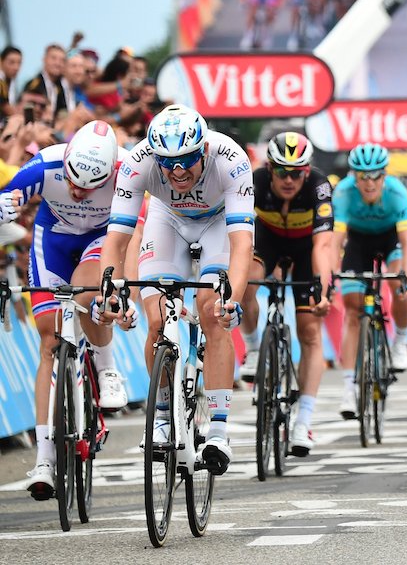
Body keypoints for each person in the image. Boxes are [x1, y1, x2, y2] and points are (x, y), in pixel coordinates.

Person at [95, 104, 254, 476]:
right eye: (168, 163)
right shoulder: (137, 163)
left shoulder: (231, 158)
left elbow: (243, 244)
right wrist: (109, 291)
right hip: (166, 219)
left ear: (204, 151)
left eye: (186, 160)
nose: (178, 170)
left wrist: (231, 300)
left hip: (218, 223)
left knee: (213, 311)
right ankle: (164, 413)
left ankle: (218, 430)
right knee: (156, 320)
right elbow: (117, 239)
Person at [0, 120, 129, 499]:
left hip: (100, 239)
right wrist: (7, 205)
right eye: (72, 179)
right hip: (52, 240)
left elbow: (142, 225)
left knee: (89, 297)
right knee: (48, 342)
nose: (76, 190)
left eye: (87, 185)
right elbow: (9, 196)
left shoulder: (126, 170)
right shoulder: (45, 164)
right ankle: (43, 460)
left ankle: (107, 370)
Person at [239, 132, 333, 456]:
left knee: (310, 332)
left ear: (306, 171)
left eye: (297, 173)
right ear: (270, 168)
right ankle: (253, 348)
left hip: (307, 247)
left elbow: (324, 243)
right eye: (282, 172)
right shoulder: (254, 181)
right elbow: (236, 232)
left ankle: (304, 420)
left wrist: (323, 287)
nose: (290, 179)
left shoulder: (319, 185)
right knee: (246, 281)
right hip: (267, 240)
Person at [331, 143, 407, 419]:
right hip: (358, 244)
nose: (369, 183)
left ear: (384, 175)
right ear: (353, 176)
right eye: (362, 176)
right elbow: (335, 242)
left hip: (390, 240)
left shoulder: (397, 192)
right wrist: (331, 277)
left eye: (375, 175)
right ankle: (349, 389)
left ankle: (400, 341)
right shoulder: (343, 192)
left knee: (400, 288)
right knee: (353, 311)